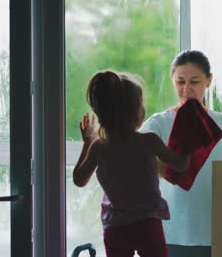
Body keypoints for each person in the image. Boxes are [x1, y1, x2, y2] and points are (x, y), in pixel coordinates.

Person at [73, 70, 190, 257]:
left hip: (116, 226)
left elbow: (79, 180)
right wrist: (188, 141)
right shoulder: (149, 141)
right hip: (147, 224)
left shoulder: (99, 148)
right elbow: (181, 165)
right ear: (135, 111)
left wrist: (88, 141)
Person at [139, 50, 222, 257]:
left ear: (209, 81)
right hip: (169, 231)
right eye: (180, 82)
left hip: (215, 232)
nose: (186, 89)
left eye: (194, 81)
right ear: (172, 81)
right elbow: (137, 169)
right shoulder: (158, 124)